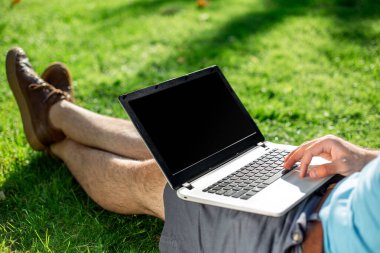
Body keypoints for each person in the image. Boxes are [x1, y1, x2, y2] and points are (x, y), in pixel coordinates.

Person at [5, 47, 380, 253]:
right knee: (178, 155)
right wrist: (365, 160)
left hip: (299, 236)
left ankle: (58, 133)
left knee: (160, 181)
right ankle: (55, 115)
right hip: (330, 188)